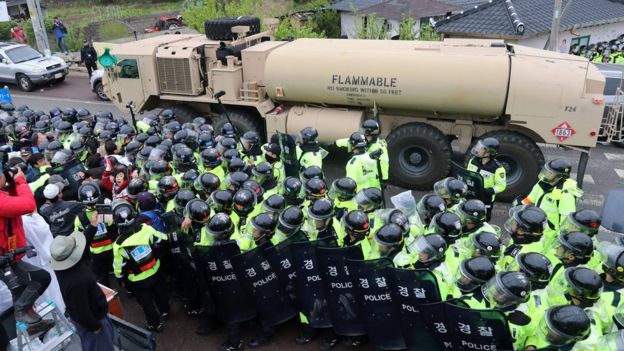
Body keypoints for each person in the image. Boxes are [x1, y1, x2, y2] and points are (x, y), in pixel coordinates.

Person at [0, 164, 54, 334]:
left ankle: (32, 324)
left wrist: (12, 183)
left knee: (19, 289)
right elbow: (28, 204)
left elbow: (14, 201)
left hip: (9, 257)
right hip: (5, 260)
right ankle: (21, 311)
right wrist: (20, 181)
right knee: (41, 278)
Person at [51, 231, 114, 351]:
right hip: (93, 321)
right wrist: (95, 327)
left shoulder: (64, 270)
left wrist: (92, 228)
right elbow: (81, 310)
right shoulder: (77, 281)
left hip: (89, 318)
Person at [112, 199, 169, 332]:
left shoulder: (119, 244)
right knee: (160, 294)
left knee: (146, 303)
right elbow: (163, 239)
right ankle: (166, 311)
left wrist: (120, 279)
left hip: (138, 280)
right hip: (155, 269)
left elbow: (119, 267)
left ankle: (155, 324)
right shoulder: (146, 229)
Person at [522, 159, 582, 248]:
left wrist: (559, 239)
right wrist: (522, 212)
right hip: (535, 226)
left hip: (549, 235)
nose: (546, 174)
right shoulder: (542, 184)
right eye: (546, 171)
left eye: (550, 173)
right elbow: (529, 200)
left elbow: (566, 221)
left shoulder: (565, 195)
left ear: (560, 177)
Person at [467, 137, 506, 221]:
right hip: (471, 194)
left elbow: (501, 186)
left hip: (485, 198)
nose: (479, 149)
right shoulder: (473, 161)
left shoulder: (497, 169)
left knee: (483, 219)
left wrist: (488, 191)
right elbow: (468, 174)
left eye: (482, 148)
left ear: (489, 152)